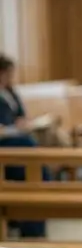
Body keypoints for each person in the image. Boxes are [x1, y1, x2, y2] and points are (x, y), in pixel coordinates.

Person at [0, 54, 46, 238]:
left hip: (17, 139)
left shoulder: (11, 92)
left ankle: (34, 227)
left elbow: (21, 115)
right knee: (28, 149)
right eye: (7, 73)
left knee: (35, 164)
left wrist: (24, 124)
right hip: (5, 145)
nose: (10, 77)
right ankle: (30, 226)